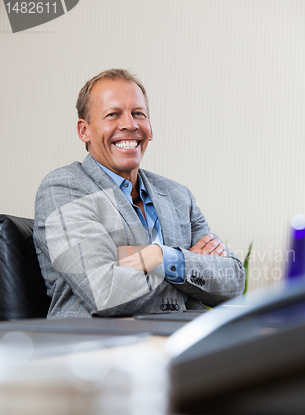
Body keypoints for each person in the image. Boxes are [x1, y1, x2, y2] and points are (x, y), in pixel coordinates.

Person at [33, 69, 245, 318]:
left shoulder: (178, 196)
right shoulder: (63, 188)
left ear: (150, 128)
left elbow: (232, 281)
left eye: (138, 114)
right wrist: (186, 265)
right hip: (97, 347)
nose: (129, 124)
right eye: (112, 115)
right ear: (84, 131)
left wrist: (159, 256)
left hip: (179, 346)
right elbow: (107, 292)